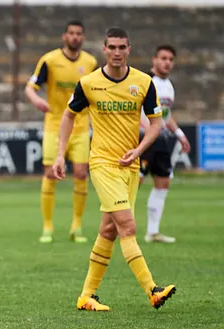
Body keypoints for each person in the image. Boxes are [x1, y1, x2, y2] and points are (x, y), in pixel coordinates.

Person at [51, 28, 177, 312]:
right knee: (128, 226)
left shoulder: (143, 82)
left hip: (130, 165)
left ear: (129, 49)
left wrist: (139, 150)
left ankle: (86, 295)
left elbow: (156, 123)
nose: (117, 52)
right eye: (112, 47)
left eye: (122, 47)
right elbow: (68, 115)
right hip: (102, 164)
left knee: (109, 230)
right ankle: (152, 289)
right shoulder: (89, 83)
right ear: (104, 49)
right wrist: (60, 154)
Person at [26, 20, 98, 244]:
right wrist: (37, 100)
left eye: (79, 34)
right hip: (54, 125)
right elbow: (30, 88)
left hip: (81, 126)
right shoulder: (49, 60)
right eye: (71, 33)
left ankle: (76, 225)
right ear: (64, 36)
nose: (75, 37)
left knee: (81, 174)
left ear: (83, 37)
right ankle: (47, 226)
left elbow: (97, 93)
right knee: (50, 174)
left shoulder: (90, 62)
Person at [139, 45, 191, 244]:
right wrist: (148, 129)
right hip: (143, 139)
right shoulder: (145, 81)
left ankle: (153, 232)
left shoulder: (169, 86)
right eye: (163, 58)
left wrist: (179, 134)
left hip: (161, 140)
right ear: (154, 60)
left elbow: (165, 116)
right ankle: (117, 228)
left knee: (163, 183)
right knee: (134, 183)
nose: (167, 62)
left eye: (170, 59)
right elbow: (134, 111)